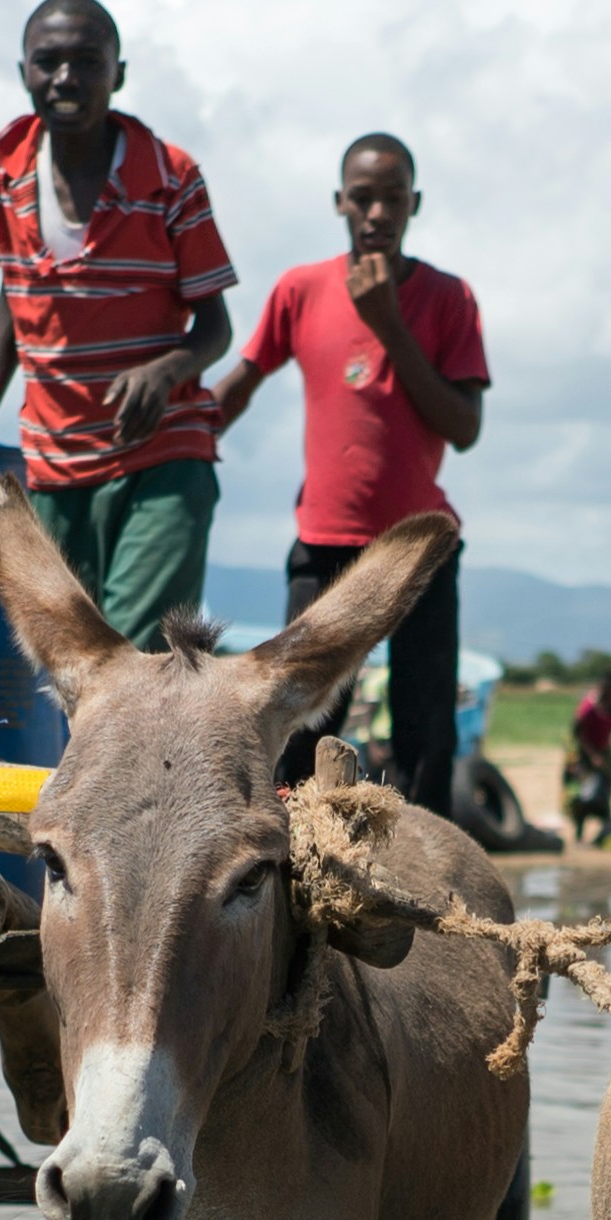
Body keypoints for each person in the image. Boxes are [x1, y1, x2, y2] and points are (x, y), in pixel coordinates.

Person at [0, 0, 236, 647]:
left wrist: (167, 369)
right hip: (53, 457)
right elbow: (17, 291)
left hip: (161, 454)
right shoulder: (0, 168)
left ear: (118, 74)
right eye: (48, 62)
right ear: (24, 74)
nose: (66, 78)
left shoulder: (171, 178)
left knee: (129, 653)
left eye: (87, 62)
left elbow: (216, 327)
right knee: (69, 657)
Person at [216, 132, 488, 809]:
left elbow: (465, 427)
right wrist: (181, 432)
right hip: (326, 540)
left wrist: (389, 325)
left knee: (425, 726)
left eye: (393, 199)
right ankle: (293, 877)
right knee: (301, 720)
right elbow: (242, 381)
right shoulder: (300, 289)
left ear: (414, 204)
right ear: (339, 201)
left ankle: (428, 893)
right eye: (363, 198)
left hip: (418, 547)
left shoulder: (448, 299)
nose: (376, 214)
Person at [565, 668, 611, 845]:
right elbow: (577, 734)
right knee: (584, 796)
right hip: (586, 753)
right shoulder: (588, 707)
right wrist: (592, 756)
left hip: (604, 752)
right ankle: (579, 835)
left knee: (605, 791)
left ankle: (604, 834)